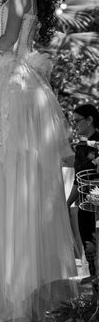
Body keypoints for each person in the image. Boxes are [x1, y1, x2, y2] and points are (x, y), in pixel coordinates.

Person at [0, 0, 77, 322]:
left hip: (14, 91)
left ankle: (10, 314)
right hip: (24, 88)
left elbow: (7, 42)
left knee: (8, 196)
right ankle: (25, 312)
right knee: (23, 194)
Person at [66, 104, 99, 278]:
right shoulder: (80, 147)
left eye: (78, 121)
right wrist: (68, 203)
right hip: (84, 206)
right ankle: (96, 299)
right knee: (89, 250)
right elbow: (77, 180)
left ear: (90, 120)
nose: (76, 125)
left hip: (97, 207)